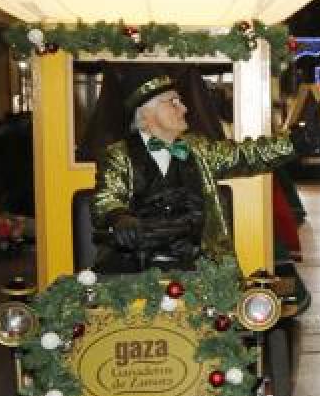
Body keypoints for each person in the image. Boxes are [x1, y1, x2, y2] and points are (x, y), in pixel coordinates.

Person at [91, 67, 294, 273]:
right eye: (173, 102)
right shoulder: (119, 154)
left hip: (199, 266)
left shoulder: (198, 148)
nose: (184, 108)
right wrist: (118, 216)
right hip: (138, 267)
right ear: (147, 112)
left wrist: (294, 142)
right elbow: (107, 197)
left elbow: (245, 154)